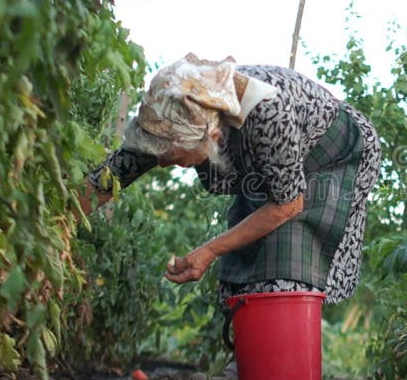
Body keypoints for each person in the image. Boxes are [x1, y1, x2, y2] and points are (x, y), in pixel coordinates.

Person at [79, 51, 381, 309]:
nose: (164, 164)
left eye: (172, 158)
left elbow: (287, 205)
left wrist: (209, 250)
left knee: (288, 266)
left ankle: (286, 370)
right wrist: (60, 223)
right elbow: (107, 179)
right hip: (283, 162)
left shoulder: (267, 116)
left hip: (335, 155)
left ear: (210, 138)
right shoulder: (175, 111)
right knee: (244, 260)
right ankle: (249, 365)